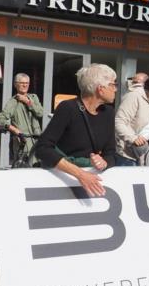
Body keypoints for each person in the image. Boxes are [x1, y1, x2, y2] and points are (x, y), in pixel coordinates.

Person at [34, 64, 118, 196]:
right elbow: (43, 149)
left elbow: (111, 153)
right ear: (100, 89)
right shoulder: (68, 108)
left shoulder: (108, 112)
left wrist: (104, 162)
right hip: (62, 182)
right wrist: (80, 174)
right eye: (113, 85)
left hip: (94, 186)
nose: (115, 89)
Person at [0, 73, 44, 165]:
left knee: (38, 167)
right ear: (15, 84)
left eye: (27, 83)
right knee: (23, 168)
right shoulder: (13, 101)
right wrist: (14, 129)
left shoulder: (33, 97)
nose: (25, 85)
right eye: (21, 83)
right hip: (23, 141)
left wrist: (27, 102)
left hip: (37, 139)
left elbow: (40, 113)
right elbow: (0, 118)